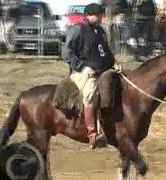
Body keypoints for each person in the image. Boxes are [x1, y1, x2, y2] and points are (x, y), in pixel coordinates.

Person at [62, 3, 115, 149]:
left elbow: (106, 52)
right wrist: (83, 67)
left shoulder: (101, 31)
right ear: (88, 15)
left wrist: (113, 64)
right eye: (97, 15)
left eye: (100, 15)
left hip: (103, 70)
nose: (100, 17)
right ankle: (93, 134)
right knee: (90, 94)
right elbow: (67, 53)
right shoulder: (78, 29)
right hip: (84, 72)